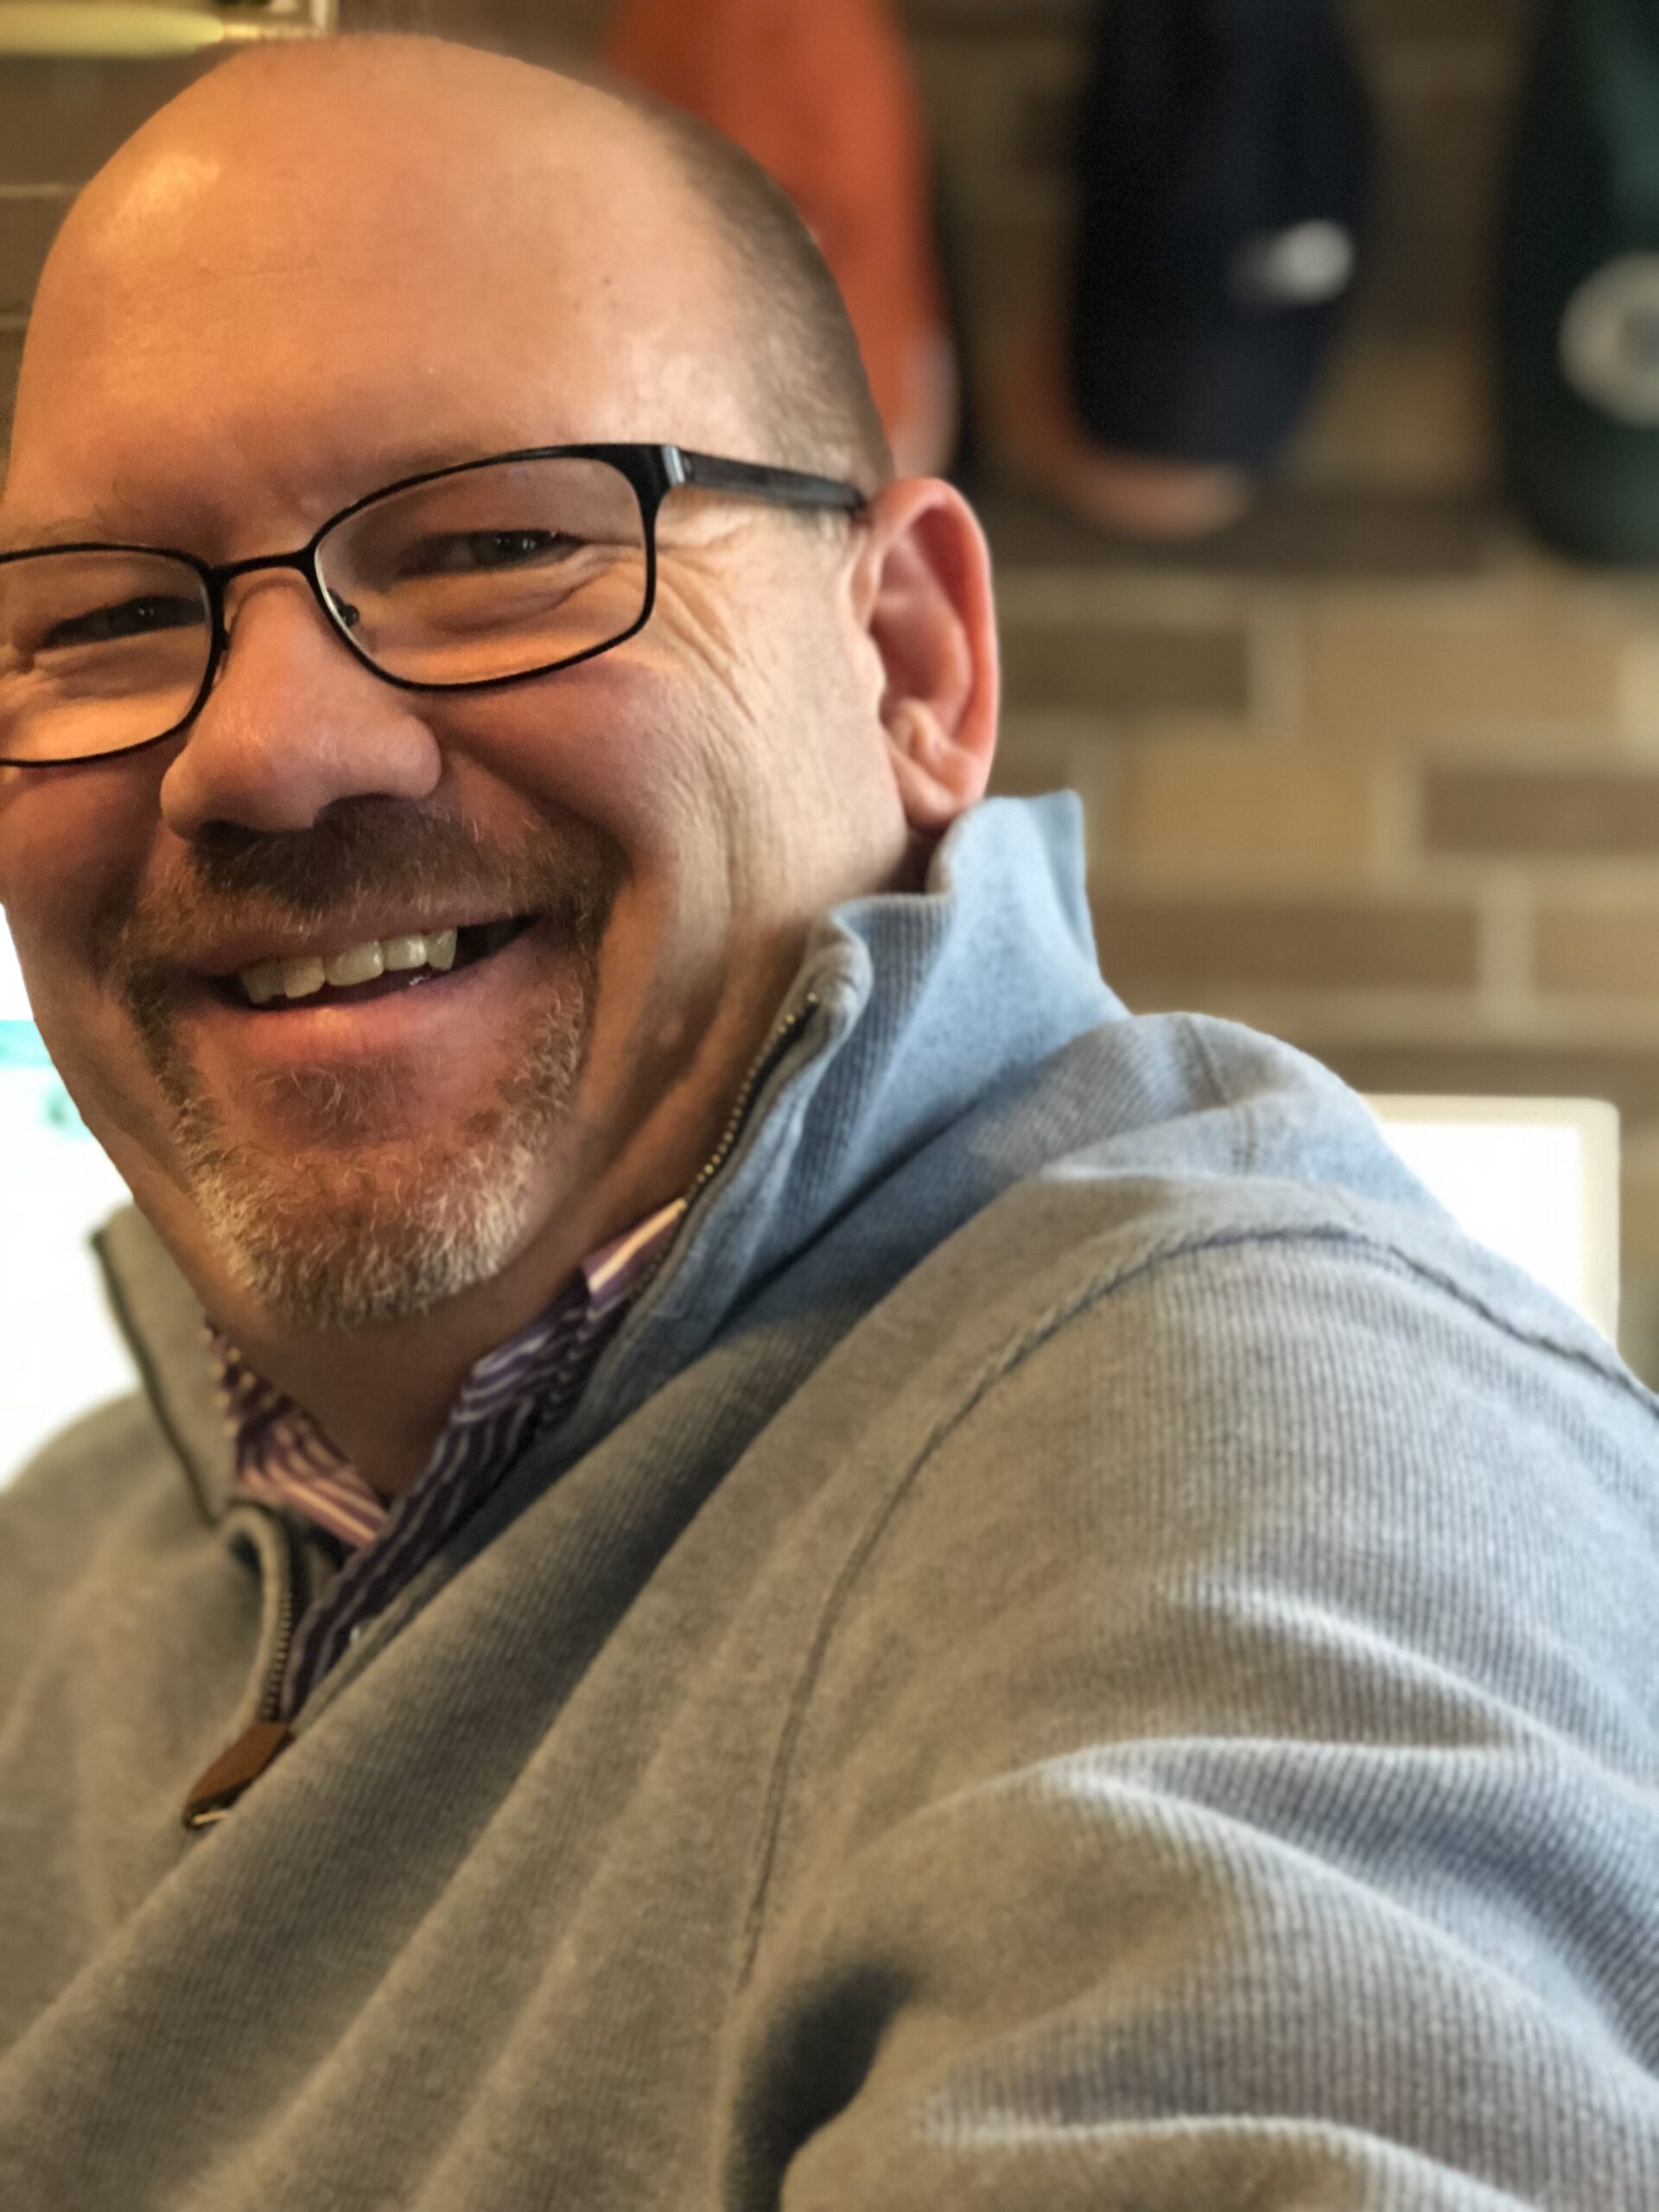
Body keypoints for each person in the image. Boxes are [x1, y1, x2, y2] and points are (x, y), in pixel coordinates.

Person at [0, 33, 1654, 2211]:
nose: (264, 754)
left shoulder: (1243, 1441)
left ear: (915, 665)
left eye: (501, 542)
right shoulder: (85, 1548)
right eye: (106, 617)